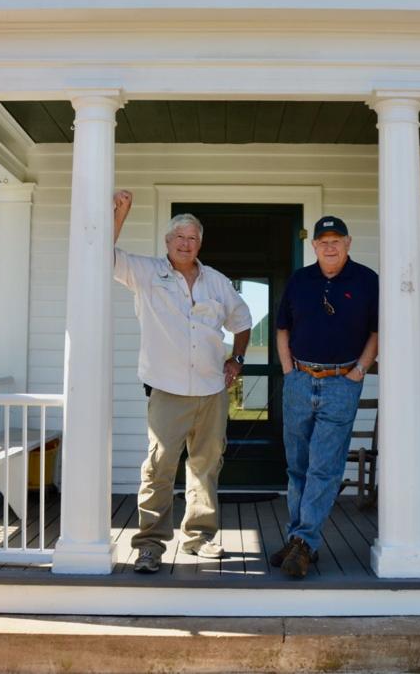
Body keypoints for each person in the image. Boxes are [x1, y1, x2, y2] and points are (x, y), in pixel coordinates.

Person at [113, 190, 252, 573]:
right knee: (159, 468)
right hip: (167, 389)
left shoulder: (218, 282)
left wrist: (236, 359)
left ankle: (200, 538)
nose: (185, 243)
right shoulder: (146, 273)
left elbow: (242, 321)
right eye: (179, 237)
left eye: (192, 238)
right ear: (167, 242)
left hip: (211, 389)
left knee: (206, 466)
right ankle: (149, 545)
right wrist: (121, 214)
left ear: (199, 243)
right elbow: (102, 256)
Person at [273, 216, 378, 579]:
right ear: (314, 245)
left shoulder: (366, 281)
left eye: (336, 240)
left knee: (325, 467)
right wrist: (289, 371)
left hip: (340, 383)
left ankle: (303, 542)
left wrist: (358, 373)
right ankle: (300, 539)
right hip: (300, 380)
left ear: (348, 242)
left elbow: (378, 331)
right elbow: (282, 328)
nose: (329, 246)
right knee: (297, 466)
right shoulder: (300, 281)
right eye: (323, 241)